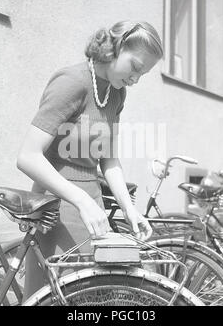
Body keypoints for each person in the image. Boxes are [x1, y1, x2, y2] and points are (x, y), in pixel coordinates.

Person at [17, 20, 164, 300]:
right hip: (56, 209)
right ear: (116, 48)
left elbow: (109, 160)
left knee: (90, 298)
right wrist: (81, 201)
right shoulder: (71, 82)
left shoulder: (117, 93)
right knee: (53, 297)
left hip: (92, 212)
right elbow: (27, 157)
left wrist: (129, 210)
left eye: (142, 74)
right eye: (135, 67)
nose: (135, 79)